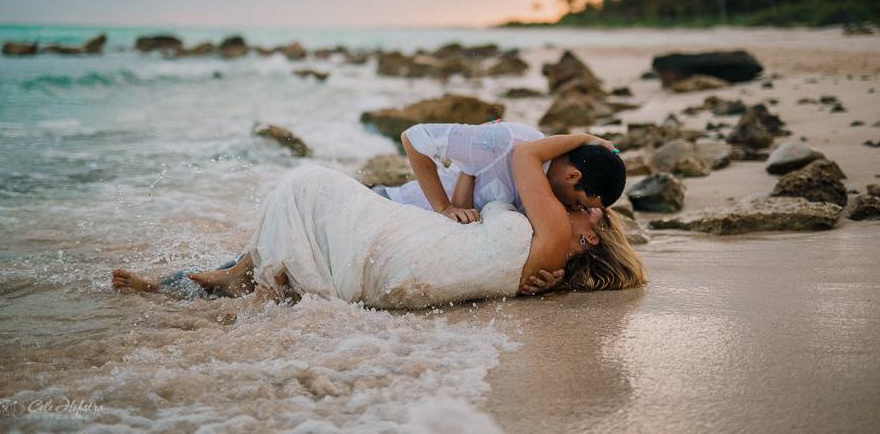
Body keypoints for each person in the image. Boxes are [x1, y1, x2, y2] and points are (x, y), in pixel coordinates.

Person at [112, 134, 647, 308]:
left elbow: (528, 152)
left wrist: (587, 140)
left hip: (410, 248)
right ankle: (191, 285)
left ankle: (214, 282)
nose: (574, 211)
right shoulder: (543, 267)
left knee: (307, 185)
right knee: (301, 226)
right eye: (580, 204)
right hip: (410, 270)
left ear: (592, 234)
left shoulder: (551, 238)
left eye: (585, 212)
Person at [375, 122, 626, 225]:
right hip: (390, 208)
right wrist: (443, 208)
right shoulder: (507, 141)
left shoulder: (544, 194)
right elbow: (415, 137)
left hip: (420, 237)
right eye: (579, 202)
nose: (573, 209)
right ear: (572, 176)